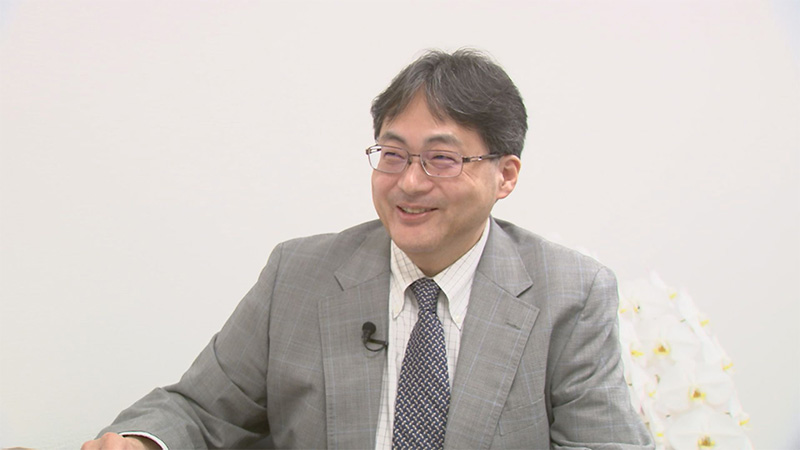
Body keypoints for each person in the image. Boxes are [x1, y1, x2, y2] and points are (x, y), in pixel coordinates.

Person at [83, 49, 654, 449]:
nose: (409, 182)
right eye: (393, 154)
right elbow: (200, 408)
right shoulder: (297, 274)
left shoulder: (570, 294)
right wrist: (145, 442)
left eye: (442, 159)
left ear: (505, 175)